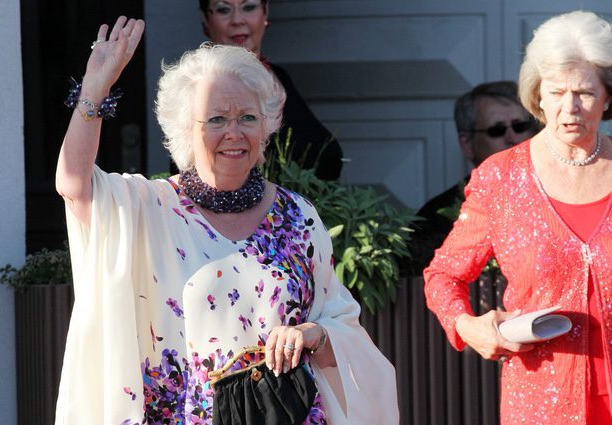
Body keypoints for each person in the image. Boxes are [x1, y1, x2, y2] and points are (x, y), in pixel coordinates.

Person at [54, 16, 398, 424]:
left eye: (247, 118)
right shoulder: (151, 207)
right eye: (216, 119)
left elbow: (340, 324)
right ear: (186, 129)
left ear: (266, 125)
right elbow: (75, 185)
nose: (234, 133)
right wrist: (96, 90)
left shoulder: (298, 216)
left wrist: (313, 335)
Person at [424, 10, 612, 424]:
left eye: (584, 92)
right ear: (538, 96)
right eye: (557, 92)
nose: (570, 107)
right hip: (542, 404)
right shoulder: (502, 178)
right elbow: (442, 275)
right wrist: (468, 326)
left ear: (607, 97)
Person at [199, 0, 344, 181]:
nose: (237, 20)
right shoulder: (199, 85)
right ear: (205, 19)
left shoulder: (278, 75)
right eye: (223, 9)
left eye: (249, 7)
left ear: (265, 12)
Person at [407, 81, 538, 273]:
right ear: (467, 143)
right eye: (497, 130)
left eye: (520, 126)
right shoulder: (435, 217)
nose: (513, 139)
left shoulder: (563, 194)